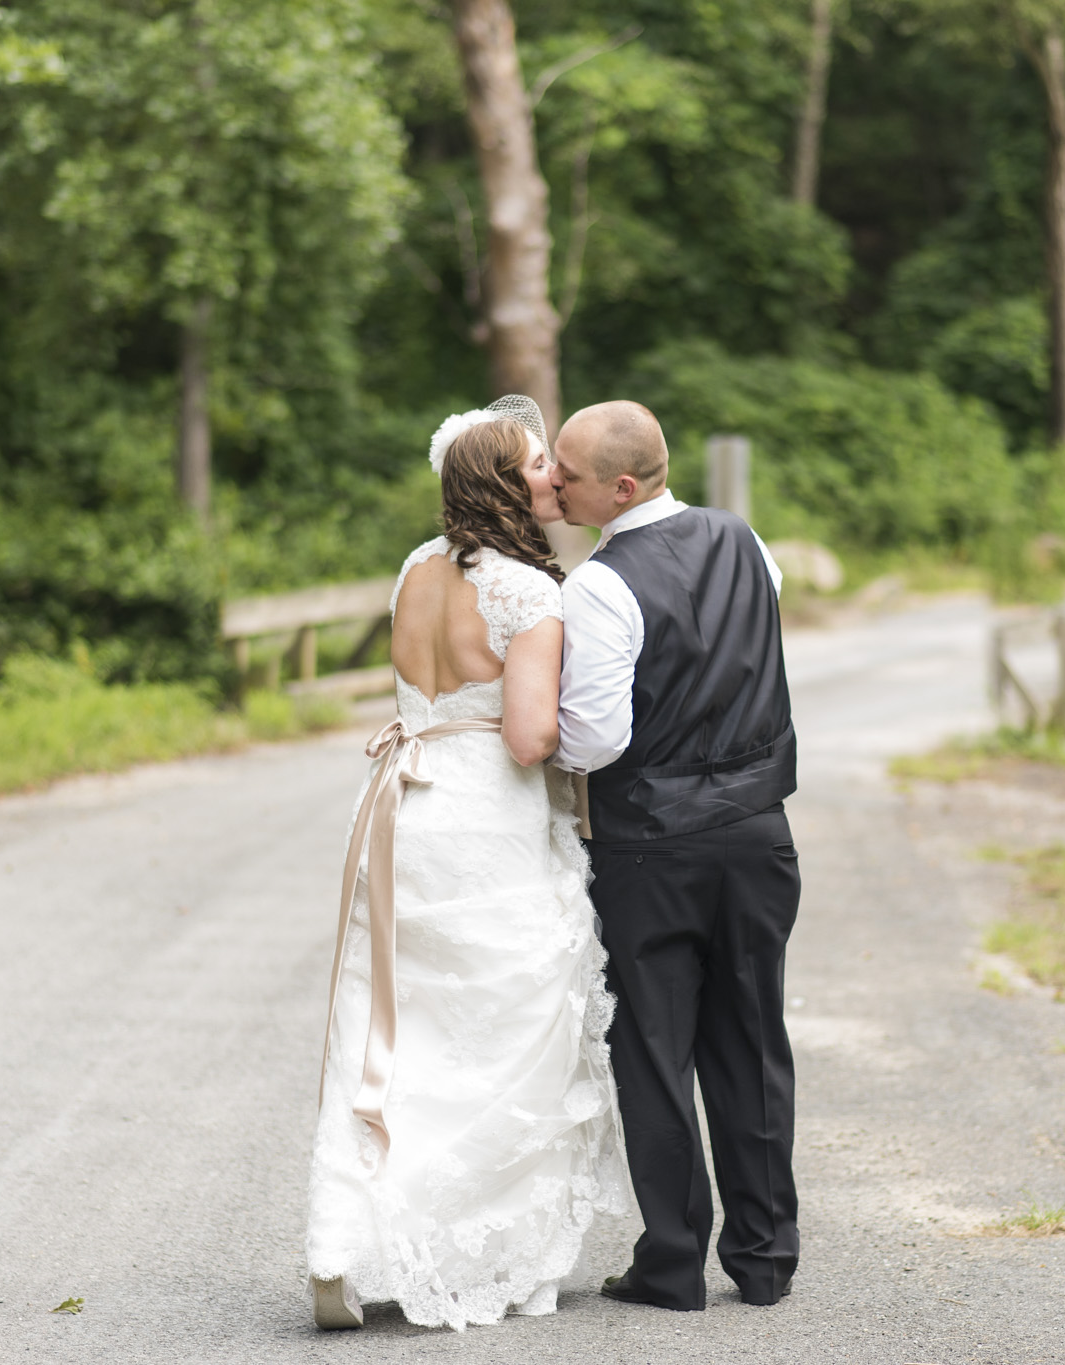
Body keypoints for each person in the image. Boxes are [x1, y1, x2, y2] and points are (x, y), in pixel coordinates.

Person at [304, 396, 628, 1333]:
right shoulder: (532, 594)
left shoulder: (415, 568)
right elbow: (529, 738)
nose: (550, 475)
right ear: (500, 481)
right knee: (503, 1026)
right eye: (535, 462)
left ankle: (348, 1237)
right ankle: (501, 1257)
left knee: (395, 1028)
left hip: (407, 807)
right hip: (489, 817)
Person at [550, 401, 801, 1312]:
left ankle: (671, 1264)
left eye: (566, 471)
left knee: (655, 1051)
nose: (553, 480)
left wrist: (533, 736)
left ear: (621, 487)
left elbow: (597, 740)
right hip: (759, 834)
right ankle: (767, 1257)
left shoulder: (597, 585)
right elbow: (753, 658)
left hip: (651, 851)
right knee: (752, 1040)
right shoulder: (748, 542)